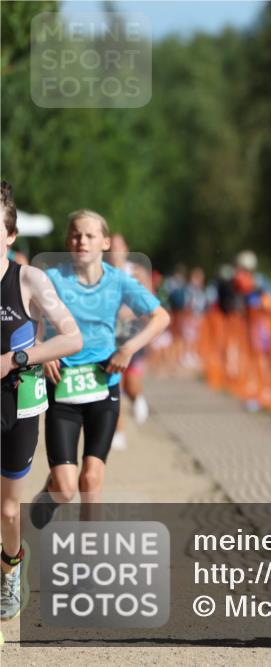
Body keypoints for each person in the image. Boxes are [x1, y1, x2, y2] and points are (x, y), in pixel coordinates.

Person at [30, 210, 170, 529]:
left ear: (104, 242)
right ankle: (51, 492)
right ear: (68, 241)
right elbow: (32, 317)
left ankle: (87, 562)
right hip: (62, 386)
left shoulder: (119, 281)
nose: (83, 241)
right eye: (77, 235)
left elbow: (161, 317)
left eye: (90, 236)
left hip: (103, 384)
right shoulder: (53, 279)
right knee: (66, 489)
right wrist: (43, 352)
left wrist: (128, 348)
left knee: (90, 479)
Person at [0, 181, 83, 622]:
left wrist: (16, 358)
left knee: (8, 508)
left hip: (16, 403)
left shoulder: (28, 279)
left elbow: (72, 337)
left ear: (9, 235)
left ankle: (10, 568)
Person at [108, 233, 154, 449]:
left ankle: (137, 399)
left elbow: (151, 304)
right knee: (115, 384)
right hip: (110, 336)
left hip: (133, 335)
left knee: (131, 384)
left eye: (119, 246)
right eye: (111, 246)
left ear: (126, 249)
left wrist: (131, 313)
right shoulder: (101, 272)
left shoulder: (137, 272)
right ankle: (119, 431)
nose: (115, 250)